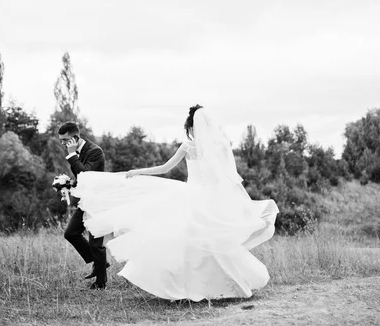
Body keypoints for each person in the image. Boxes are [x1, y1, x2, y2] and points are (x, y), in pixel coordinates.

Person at [72, 106, 279, 301]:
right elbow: (229, 177)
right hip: (211, 199)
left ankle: (191, 287)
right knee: (210, 242)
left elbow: (165, 168)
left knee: (186, 243)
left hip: (190, 197)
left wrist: (139, 171)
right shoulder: (221, 146)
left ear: (190, 128)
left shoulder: (188, 146)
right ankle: (225, 285)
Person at [58, 121, 108, 290]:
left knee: (95, 243)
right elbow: (81, 178)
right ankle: (99, 262)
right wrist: (68, 184)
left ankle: (101, 282)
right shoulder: (76, 152)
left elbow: (86, 175)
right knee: (71, 233)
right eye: (62, 140)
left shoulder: (95, 151)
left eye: (65, 140)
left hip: (99, 202)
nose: (63, 144)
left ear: (75, 137)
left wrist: (72, 156)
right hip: (86, 201)